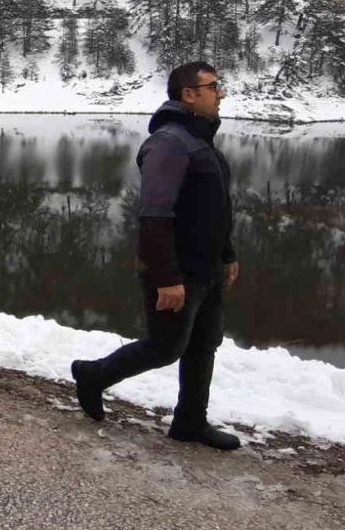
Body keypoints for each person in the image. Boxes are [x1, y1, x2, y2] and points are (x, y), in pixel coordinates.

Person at [71, 62, 241, 451]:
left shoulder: (201, 142)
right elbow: (155, 213)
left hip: (206, 268)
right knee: (165, 347)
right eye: (214, 86)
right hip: (175, 269)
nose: (221, 93)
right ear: (189, 95)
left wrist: (227, 254)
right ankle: (93, 376)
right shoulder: (169, 142)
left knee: (203, 345)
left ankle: (190, 422)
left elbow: (215, 208)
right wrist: (166, 276)